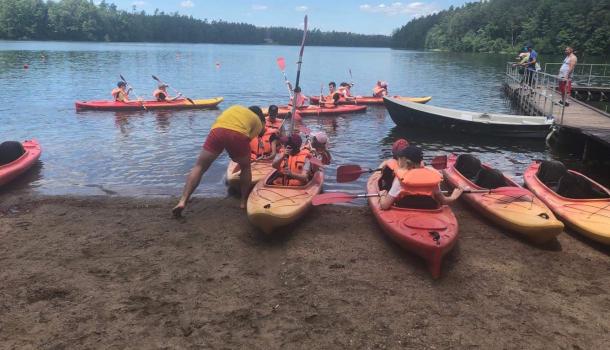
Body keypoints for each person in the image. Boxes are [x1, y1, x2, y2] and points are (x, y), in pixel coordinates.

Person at [172, 105, 266, 215]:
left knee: (199, 166)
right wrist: (235, 156)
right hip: (237, 134)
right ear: (259, 116)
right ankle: (243, 202)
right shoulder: (258, 122)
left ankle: (182, 201)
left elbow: (224, 126)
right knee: (246, 167)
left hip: (217, 130)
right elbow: (245, 141)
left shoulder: (236, 108)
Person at [378, 146, 464, 210]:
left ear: (406, 162)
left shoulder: (400, 179)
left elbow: (384, 206)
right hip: (429, 211)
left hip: (404, 211)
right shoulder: (431, 177)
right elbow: (444, 201)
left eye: (399, 159)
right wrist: (454, 196)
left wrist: (382, 195)